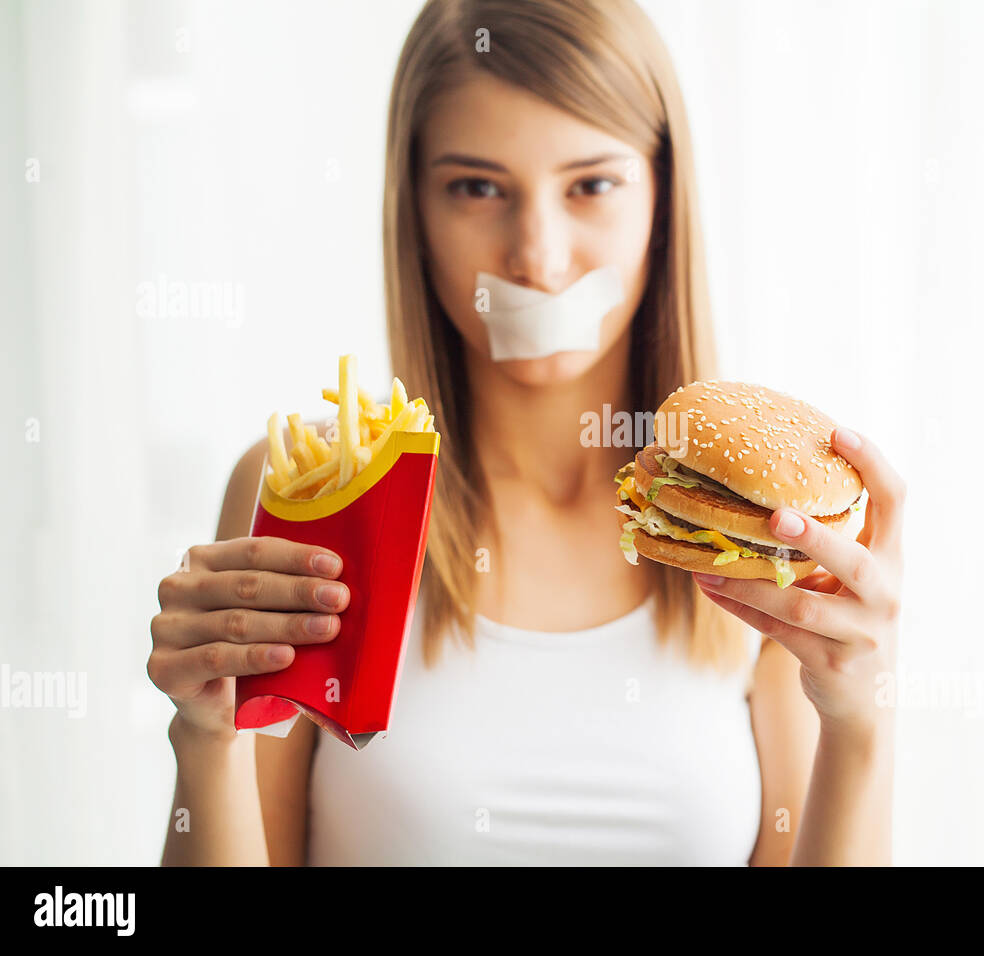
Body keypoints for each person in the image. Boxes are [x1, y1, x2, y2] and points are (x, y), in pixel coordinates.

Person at [148, 0, 905, 866]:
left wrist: (863, 722)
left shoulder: (754, 524)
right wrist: (208, 740)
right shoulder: (316, 482)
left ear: (664, 198)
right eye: (477, 188)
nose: (538, 259)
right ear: (414, 211)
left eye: (592, 184)